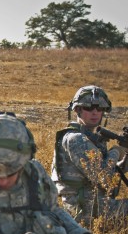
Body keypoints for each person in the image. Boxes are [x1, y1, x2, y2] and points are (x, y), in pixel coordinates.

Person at [51, 85, 128, 225]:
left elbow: (110, 174)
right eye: (88, 108)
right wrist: (116, 151)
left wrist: (124, 160)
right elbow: (102, 176)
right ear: (77, 110)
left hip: (96, 205)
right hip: (85, 212)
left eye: (99, 109)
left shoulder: (92, 138)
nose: (95, 113)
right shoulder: (75, 139)